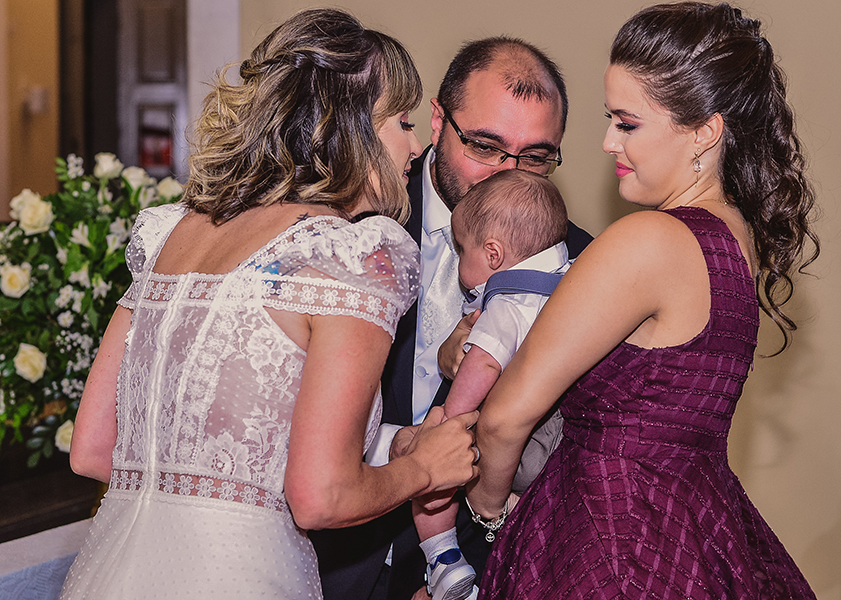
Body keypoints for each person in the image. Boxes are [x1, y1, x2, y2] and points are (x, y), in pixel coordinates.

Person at [59, 9, 480, 599]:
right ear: (351, 127)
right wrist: (424, 468)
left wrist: (390, 444)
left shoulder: (170, 236)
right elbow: (321, 496)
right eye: (403, 121)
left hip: (111, 572)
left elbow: (95, 449)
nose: (416, 145)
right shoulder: (351, 254)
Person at [468, 3, 820, 598]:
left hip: (608, 545)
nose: (606, 142)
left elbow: (505, 418)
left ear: (705, 132)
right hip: (695, 533)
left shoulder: (649, 239)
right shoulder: (735, 240)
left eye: (627, 124)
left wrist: (488, 517)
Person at [310, 36, 593, 600]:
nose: (505, 174)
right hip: (326, 554)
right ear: (437, 121)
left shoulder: (582, 269)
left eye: (536, 157)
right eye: (485, 145)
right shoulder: (345, 220)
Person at [414, 169, 571, 600]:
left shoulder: (509, 303)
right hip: (558, 446)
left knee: (427, 470)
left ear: (494, 254)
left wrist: (451, 419)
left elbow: (482, 363)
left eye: (463, 249)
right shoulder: (574, 281)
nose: (460, 260)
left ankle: (443, 559)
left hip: (510, 448)